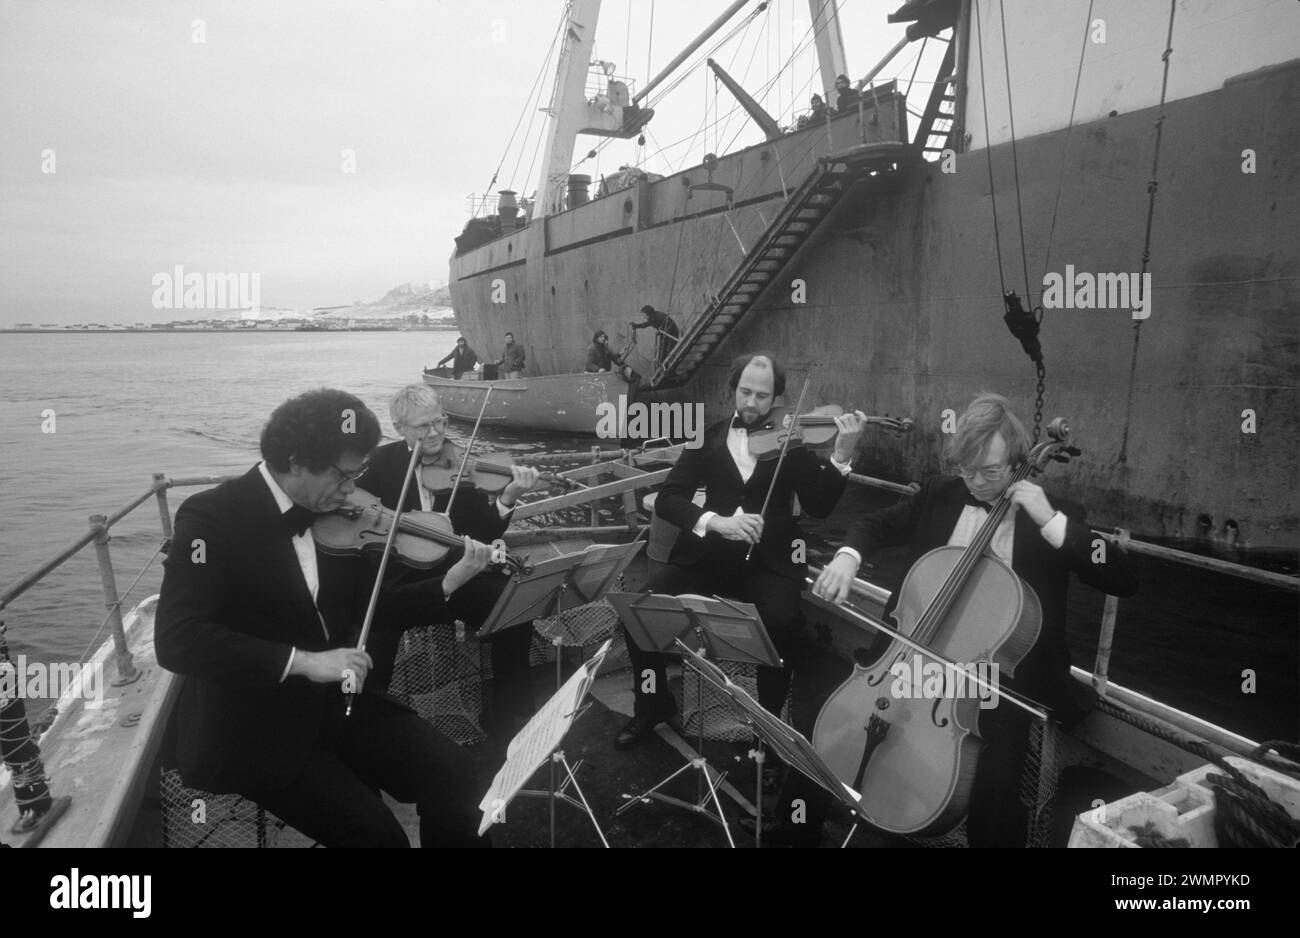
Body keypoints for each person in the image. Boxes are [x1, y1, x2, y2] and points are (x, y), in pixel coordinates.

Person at [757, 392, 1138, 846]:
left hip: (996, 682)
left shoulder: (1053, 514)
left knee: (998, 785)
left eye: (990, 472)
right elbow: (875, 525)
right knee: (827, 726)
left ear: (1017, 462)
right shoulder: (941, 492)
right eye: (967, 469)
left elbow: (1122, 577)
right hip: (910, 660)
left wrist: (1051, 520)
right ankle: (791, 836)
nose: (976, 482)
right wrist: (848, 555)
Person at [155, 388, 493, 847]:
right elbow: (178, 638)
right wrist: (307, 661)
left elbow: (379, 605)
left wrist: (449, 582)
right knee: (378, 839)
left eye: (359, 474)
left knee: (460, 777)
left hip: (340, 704)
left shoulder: (335, 513)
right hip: (261, 724)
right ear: (296, 461)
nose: (353, 490)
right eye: (344, 476)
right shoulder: (211, 519)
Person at [612, 352, 867, 751]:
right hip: (706, 556)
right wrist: (716, 521)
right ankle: (652, 706)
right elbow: (670, 498)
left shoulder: (792, 443)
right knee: (639, 613)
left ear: (776, 399)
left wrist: (841, 455)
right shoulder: (706, 436)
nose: (752, 404)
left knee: (781, 624)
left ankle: (767, 734)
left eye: (763, 397)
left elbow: (819, 505)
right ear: (733, 390)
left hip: (770, 562)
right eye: (745, 392)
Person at [356, 384, 541, 740]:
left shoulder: (458, 464)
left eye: (439, 422)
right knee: (369, 644)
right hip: (397, 585)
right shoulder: (379, 466)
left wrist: (506, 498)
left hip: (455, 577)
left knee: (513, 607)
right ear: (399, 428)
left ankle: (506, 714)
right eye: (423, 426)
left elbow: (483, 532)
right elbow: (359, 521)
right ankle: (373, 731)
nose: (435, 433)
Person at [629, 304, 679, 376]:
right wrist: (636, 325)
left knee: (669, 352)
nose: (644, 316)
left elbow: (669, 324)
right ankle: (664, 370)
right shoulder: (653, 316)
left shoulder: (657, 316)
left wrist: (662, 331)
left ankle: (671, 371)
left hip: (672, 333)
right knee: (662, 352)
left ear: (648, 313)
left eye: (644, 315)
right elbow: (645, 324)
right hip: (665, 334)